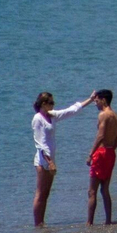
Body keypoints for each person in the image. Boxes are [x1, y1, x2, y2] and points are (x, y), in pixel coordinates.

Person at [32, 91, 91, 225]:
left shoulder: (51, 116)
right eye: (51, 102)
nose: (54, 104)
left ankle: (42, 222)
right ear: (43, 104)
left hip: (51, 160)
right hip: (43, 161)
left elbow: (70, 111)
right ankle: (37, 224)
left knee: (46, 193)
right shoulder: (38, 118)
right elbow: (39, 143)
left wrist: (90, 100)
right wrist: (49, 162)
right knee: (40, 193)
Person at [86, 89, 117, 225]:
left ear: (103, 100)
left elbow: (100, 135)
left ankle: (89, 222)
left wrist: (91, 154)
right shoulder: (115, 116)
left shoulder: (103, 115)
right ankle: (108, 220)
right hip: (111, 152)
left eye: (97, 100)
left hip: (101, 152)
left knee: (92, 191)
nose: (96, 103)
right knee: (105, 189)